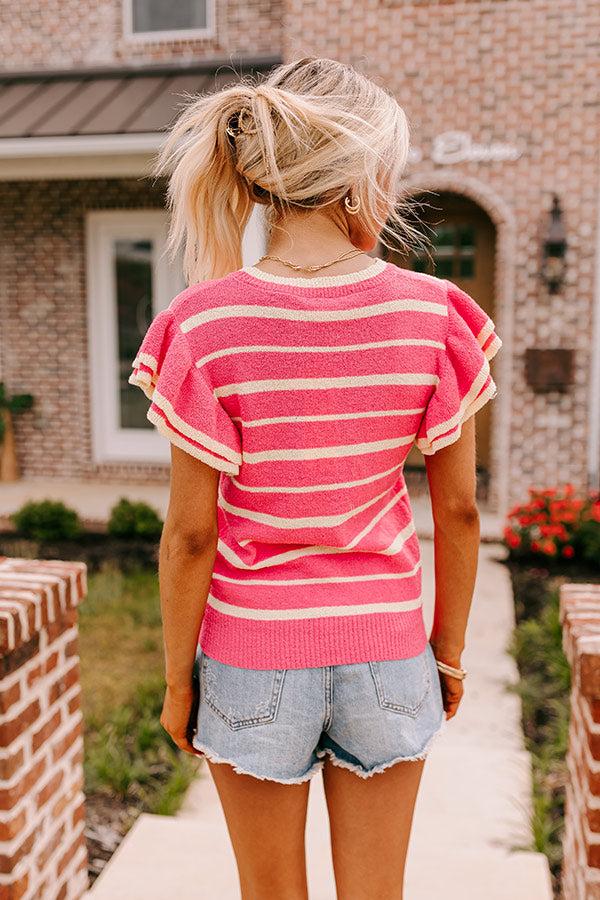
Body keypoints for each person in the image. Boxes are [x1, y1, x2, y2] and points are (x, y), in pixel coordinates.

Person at [129, 56, 502, 900]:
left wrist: (179, 680)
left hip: (250, 654)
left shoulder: (202, 323)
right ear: (364, 174)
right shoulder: (435, 314)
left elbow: (190, 536)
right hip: (387, 649)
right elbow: (459, 512)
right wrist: (445, 656)